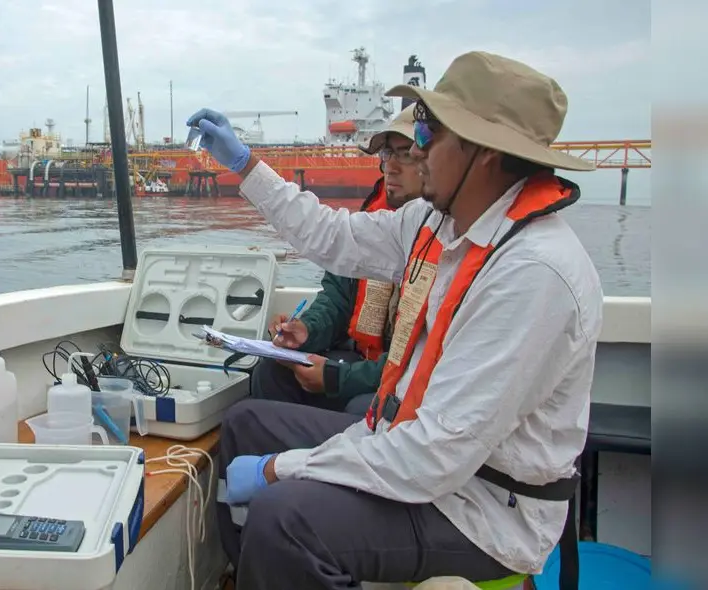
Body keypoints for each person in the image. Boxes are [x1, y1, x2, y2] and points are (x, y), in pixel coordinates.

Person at [187, 50, 602, 589]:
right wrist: (245, 165)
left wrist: (277, 470)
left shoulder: (533, 274)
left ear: (483, 153)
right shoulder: (436, 224)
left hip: (481, 508)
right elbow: (332, 237)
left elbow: (432, 458)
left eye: (428, 131)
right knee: (247, 424)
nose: (417, 148)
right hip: (405, 442)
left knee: (283, 518)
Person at [251, 104, 424, 415]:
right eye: (387, 154)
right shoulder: (372, 220)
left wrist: (340, 378)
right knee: (270, 372)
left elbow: (421, 358)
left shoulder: (442, 240)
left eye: (406, 154)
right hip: (363, 360)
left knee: (363, 406)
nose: (391, 167)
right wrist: (306, 329)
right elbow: (337, 297)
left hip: (402, 379)